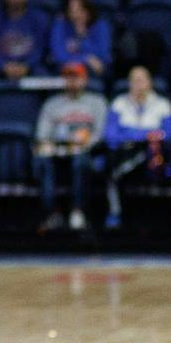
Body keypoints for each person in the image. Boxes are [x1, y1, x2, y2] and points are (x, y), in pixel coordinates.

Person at [33, 62, 108, 232]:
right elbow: (42, 133)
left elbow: (101, 133)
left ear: (85, 79)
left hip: (85, 150)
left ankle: (78, 212)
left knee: (80, 162)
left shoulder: (97, 102)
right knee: (43, 161)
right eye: (68, 77)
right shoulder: (52, 104)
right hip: (57, 150)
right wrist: (51, 145)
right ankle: (51, 213)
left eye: (76, 77)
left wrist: (85, 143)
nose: (72, 81)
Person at [103, 65, 171, 228]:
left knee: (155, 152)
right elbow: (110, 136)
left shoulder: (162, 105)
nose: (138, 84)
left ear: (150, 83)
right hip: (123, 153)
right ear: (129, 83)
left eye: (142, 79)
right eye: (134, 80)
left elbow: (168, 134)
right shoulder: (118, 104)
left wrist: (129, 132)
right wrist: (147, 134)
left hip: (153, 155)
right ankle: (115, 212)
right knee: (111, 163)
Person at [47, 0, 111, 79]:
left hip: (92, 71)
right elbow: (58, 55)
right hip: (66, 70)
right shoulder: (60, 24)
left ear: (88, 10)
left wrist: (82, 39)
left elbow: (103, 54)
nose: (75, 14)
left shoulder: (100, 25)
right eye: (71, 10)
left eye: (80, 9)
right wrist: (86, 58)